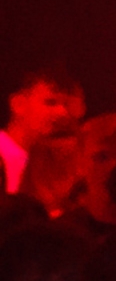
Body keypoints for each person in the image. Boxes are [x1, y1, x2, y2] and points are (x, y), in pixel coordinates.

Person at [0, 68, 84, 196]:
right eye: (51, 102)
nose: (63, 113)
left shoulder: (63, 161)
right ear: (19, 104)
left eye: (68, 104)